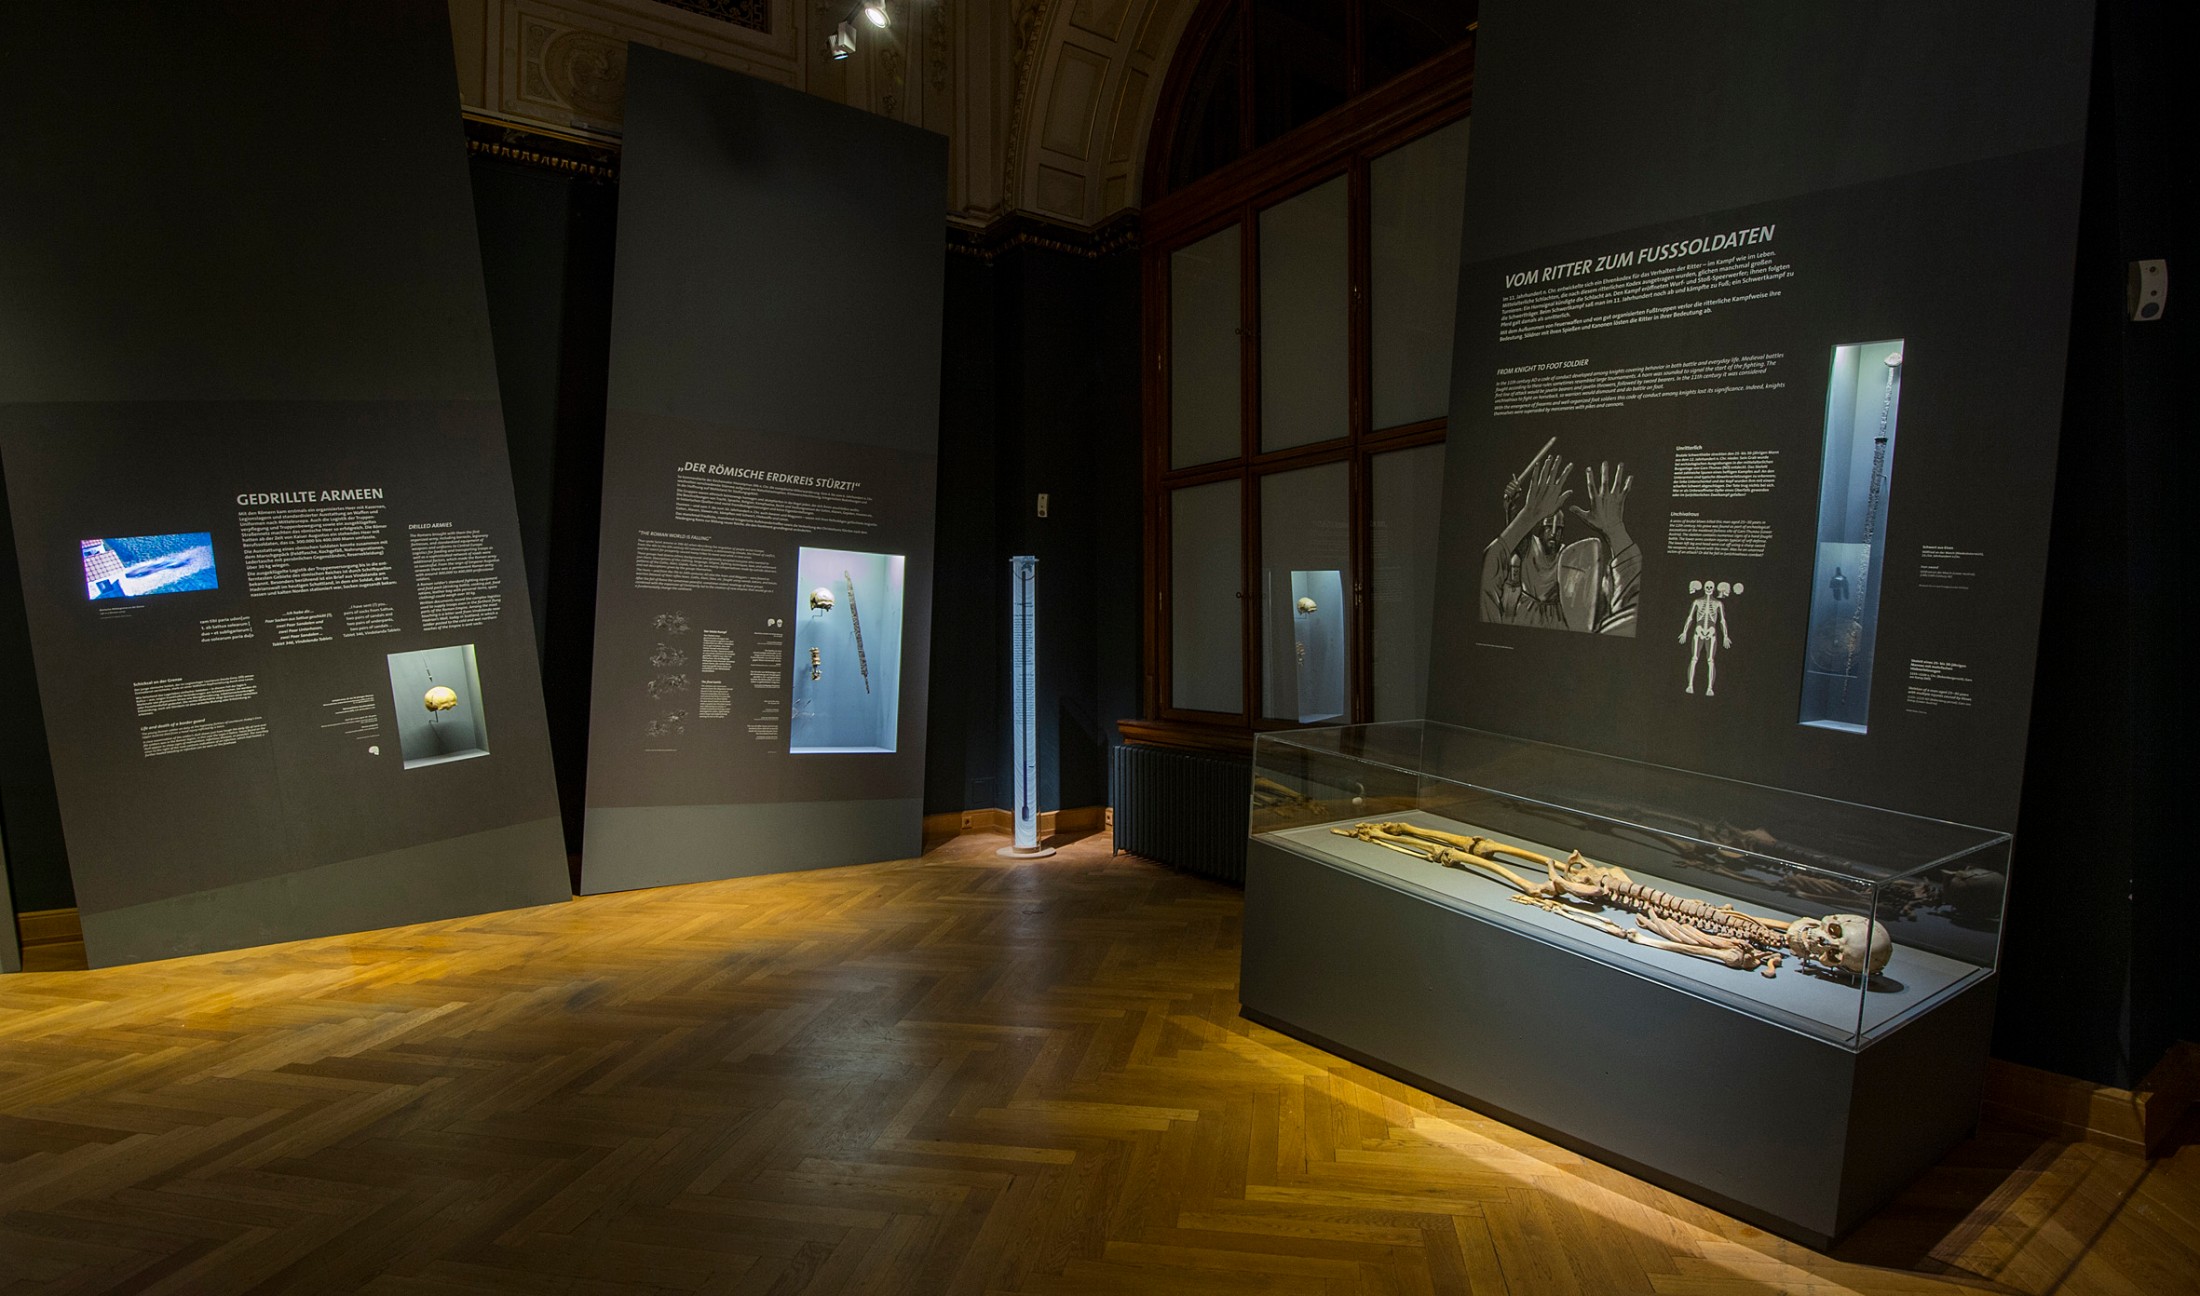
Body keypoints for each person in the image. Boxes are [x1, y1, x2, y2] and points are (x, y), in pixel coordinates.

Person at [1679, 579, 1731, 696]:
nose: (1708, 589)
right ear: (1704, 588)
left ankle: (1709, 688)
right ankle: (1690, 685)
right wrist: (1684, 632)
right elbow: (1690, 617)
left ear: (1713, 589)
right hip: (1698, 631)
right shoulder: (1697, 602)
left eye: (1710, 587)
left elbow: (1722, 621)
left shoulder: (1718, 604)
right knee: (1694, 658)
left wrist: (1725, 636)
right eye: (1707, 587)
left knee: (1710, 660)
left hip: (1711, 632)